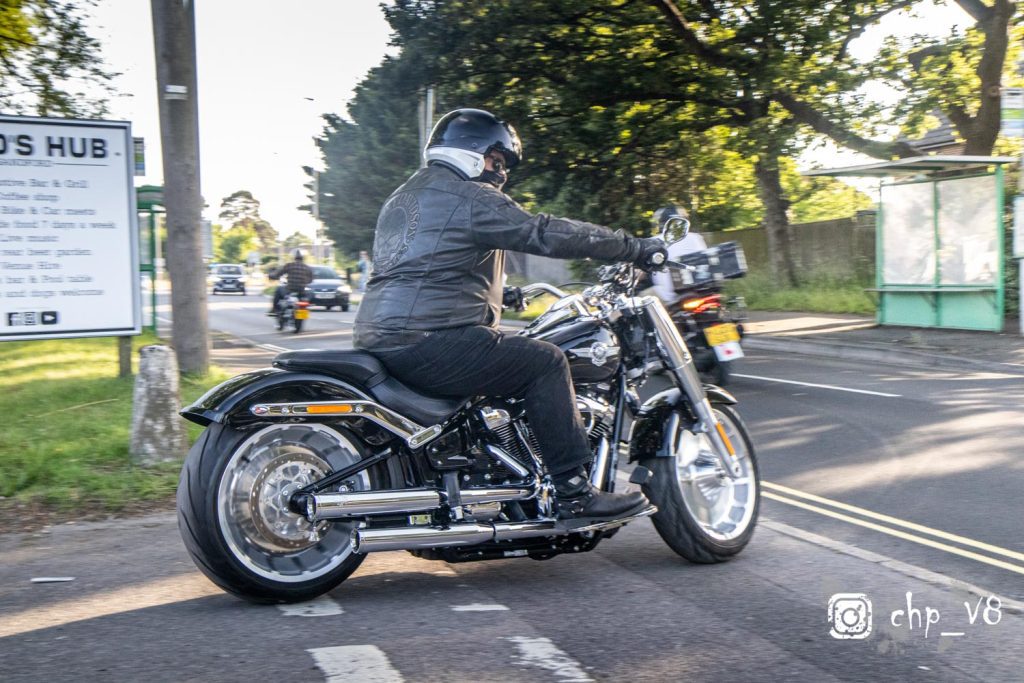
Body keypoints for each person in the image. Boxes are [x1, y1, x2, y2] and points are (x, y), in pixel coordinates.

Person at [353, 108, 667, 520]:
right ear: (473, 153)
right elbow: (543, 232)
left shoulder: (406, 196)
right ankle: (574, 492)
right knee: (546, 361)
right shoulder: (468, 195)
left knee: (508, 360)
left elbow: (424, 268)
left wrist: (507, 294)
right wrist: (634, 247)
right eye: (496, 161)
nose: (499, 172)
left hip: (382, 335)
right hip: (429, 340)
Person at [650, 205, 709, 304]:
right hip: (699, 289)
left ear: (662, 223)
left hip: (668, 294)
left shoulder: (655, 241)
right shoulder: (696, 238)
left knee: (638, 300)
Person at [268, 249, 313, 314]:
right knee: (305, 300)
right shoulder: (307, 268)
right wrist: (303, 282)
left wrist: (272, 276)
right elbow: (310, 280)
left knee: (278, 289)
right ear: (303, 258)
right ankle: (301, 316)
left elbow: (278, 274)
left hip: (290, 289)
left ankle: (275, 309)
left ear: (294, 258)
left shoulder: (289, 265)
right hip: (301, 290)